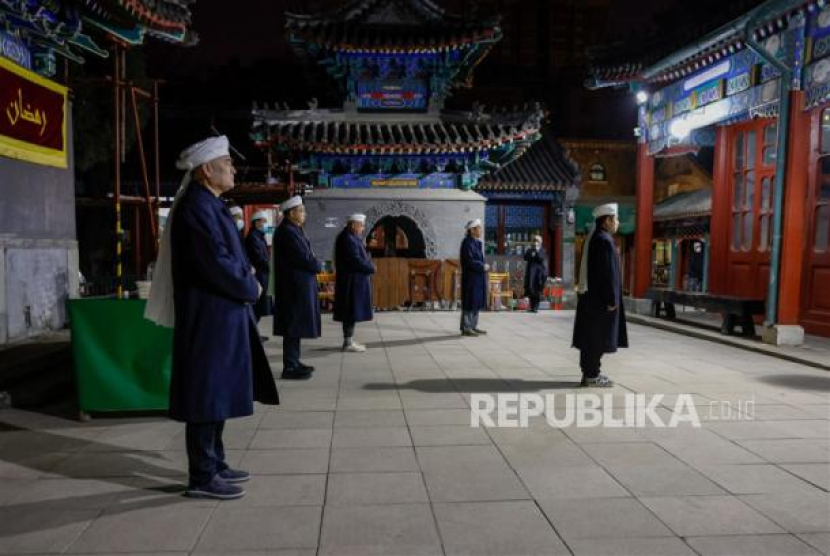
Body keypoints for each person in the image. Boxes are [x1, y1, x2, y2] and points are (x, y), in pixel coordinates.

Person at [144, 135, 279, 500]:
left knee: (217, 391)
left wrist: (245, 275)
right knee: (205, 393)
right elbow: (215, 263)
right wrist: (250, 287)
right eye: (227, 163)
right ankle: (202, 475)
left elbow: (229, 257)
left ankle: (216, 461)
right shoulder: (196, 208)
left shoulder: (211, 204)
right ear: (207, 170)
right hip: (209, 317)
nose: (233, 169)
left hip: (222, 315)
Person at [572, 203, 628, 387]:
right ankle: (591, 376)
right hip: (600, 301)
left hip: (592, 298)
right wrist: (611, 299)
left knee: (591, 338)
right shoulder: (603, 240)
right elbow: (607, 273)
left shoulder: (595, 237)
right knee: (597, 338)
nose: (617, 223)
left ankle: (590, 373)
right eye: (616, 219)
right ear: (607, 220)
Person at [272, 195, 321, 379]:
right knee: (292, 326)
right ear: (291, 213)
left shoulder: (293, 229)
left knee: (296, 325)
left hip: (297, 286)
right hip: (293, 287)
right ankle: (289, 367)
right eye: (301, 211)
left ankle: (294, 361)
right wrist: (317, 265)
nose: (304, 214)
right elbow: (303, 258)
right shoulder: (287, 232)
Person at [333, 214, 376, 352]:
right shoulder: (348, 239)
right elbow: (355, 260)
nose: (363, 229)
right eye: (361, 225)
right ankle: (348, 342)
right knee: (350, 312)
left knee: (351, 312)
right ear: (353, 225)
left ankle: (349, 340)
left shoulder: (350, 237)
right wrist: (370, 267)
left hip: (353, 281)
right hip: (351, 282)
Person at [460, 219, 489, 337]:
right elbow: (469, 261)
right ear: (472, 230)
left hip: (478, 278)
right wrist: (482, 266)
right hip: (470, 278)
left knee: (476, 301)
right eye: (478, 228)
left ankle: (473, 326)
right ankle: (466, 327)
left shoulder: (476, 243)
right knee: (469, 301)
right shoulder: (467, 243)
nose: (481, 230)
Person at [245, 210, 273, 327]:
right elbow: (259, 258)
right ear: (257, 223)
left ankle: (254, 332)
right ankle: (251, 332)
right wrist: (271, 266)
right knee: (257, 308)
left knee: (259, 309)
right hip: (259, 276)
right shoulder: (253, 238)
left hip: (263, 275)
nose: (267, 224)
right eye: (264, 221)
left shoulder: (259, 237)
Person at [524, 235, 548, 312]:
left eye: (537, 241)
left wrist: (537, 251)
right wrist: (531, 253)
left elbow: (541, 258)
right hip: (531, 273)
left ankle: (536, 307)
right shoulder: (530, 250)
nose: (535, 242)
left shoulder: (542, 250)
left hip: (538, 274)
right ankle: (532, 307)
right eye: (534, 241)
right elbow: (525, 257)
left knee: (537, 290)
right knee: (530, 289)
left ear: (541, 242)